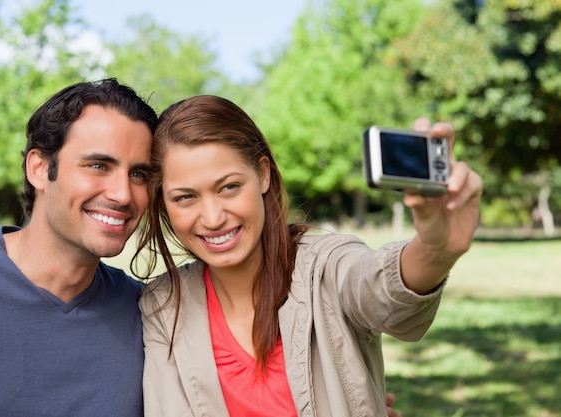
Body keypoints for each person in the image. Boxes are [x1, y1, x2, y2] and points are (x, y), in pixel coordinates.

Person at [137, 95, 482, 416]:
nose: (212, 218)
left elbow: (380, 289)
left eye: (229, 187)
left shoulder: (324, 265)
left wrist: (435, 249)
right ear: (163, 204)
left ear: (263, 174)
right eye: (185, 197)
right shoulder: (163, 307)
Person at [0, 78, 158, 416]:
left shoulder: (146, 313)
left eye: (139, 174)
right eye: (98, 165)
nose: (123, 194)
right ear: (39, 169)